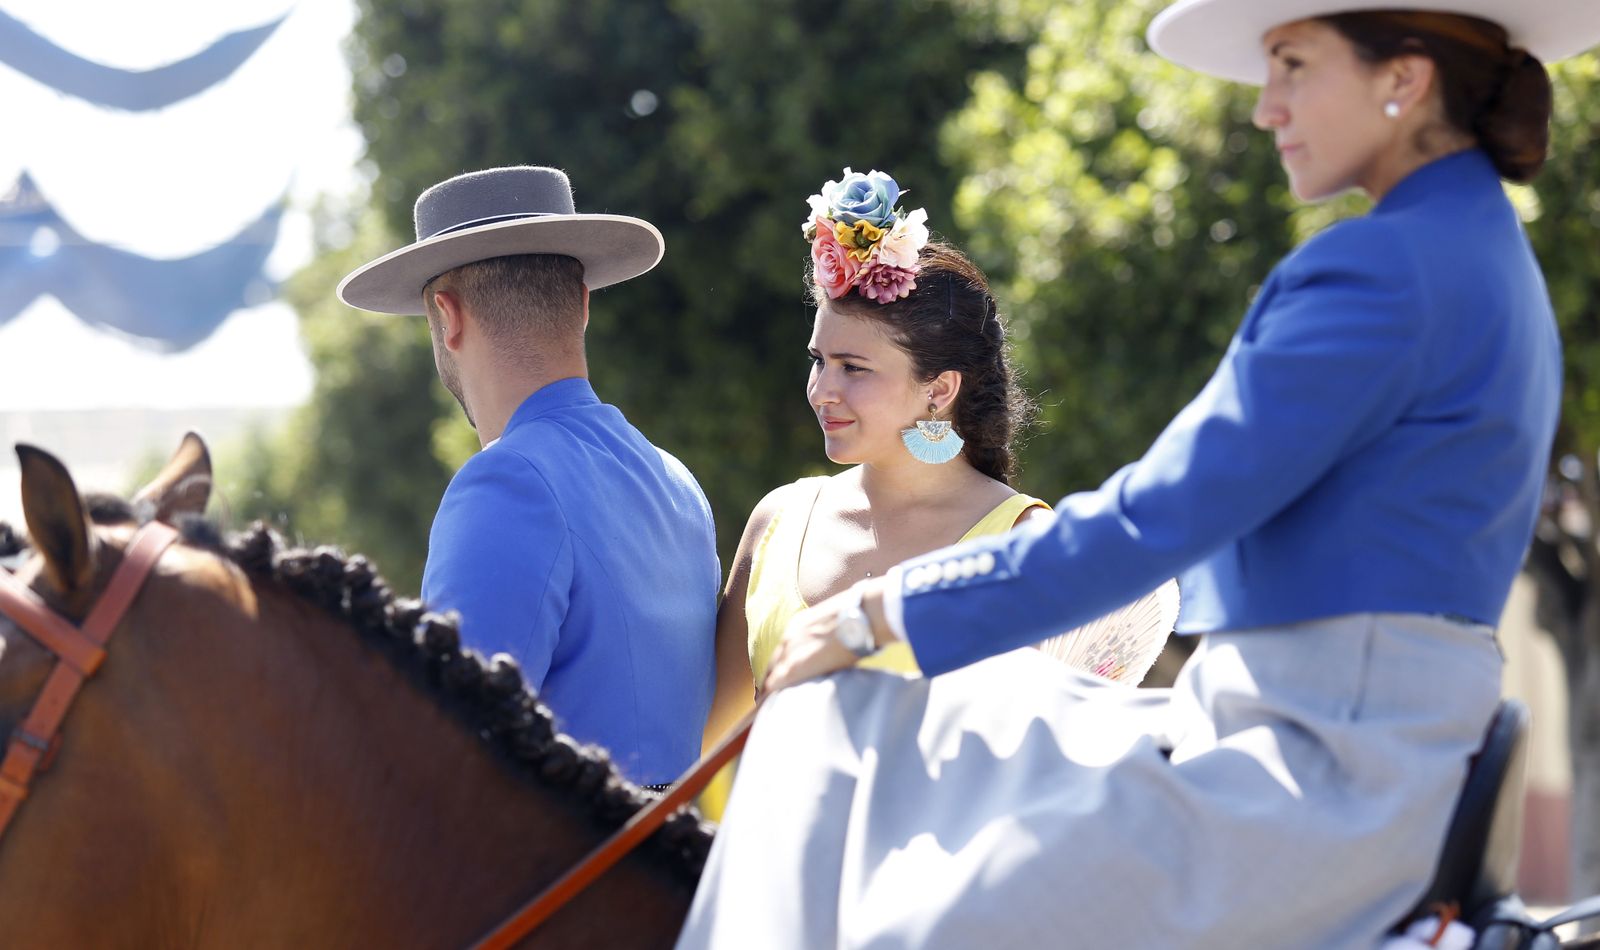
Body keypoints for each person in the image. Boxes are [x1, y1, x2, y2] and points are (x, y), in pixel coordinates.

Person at [678, 1, 1600, 946]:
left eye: (1290, 64)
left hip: (1319, 761)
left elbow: (1156, 517)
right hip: (1338, 725)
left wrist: (883, 613)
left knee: (919, 924)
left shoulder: (1385, 267)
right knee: (901, 712)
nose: (1264, 107)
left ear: (1403, 79)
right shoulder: (1473, 249)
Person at [700, 171, 1173, 792]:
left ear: (939, 389)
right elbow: (708, 745)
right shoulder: (779, 519)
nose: (822, 390)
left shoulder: (1024, 544)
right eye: (819, 360)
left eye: (854, 367)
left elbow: (1029, 780)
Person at [337, 166, 720, 787]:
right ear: (584, 304)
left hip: (572, 877)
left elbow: (444, 750)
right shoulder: (674, 479)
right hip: (675, 871)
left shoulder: (506, 482)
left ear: (446, 315)